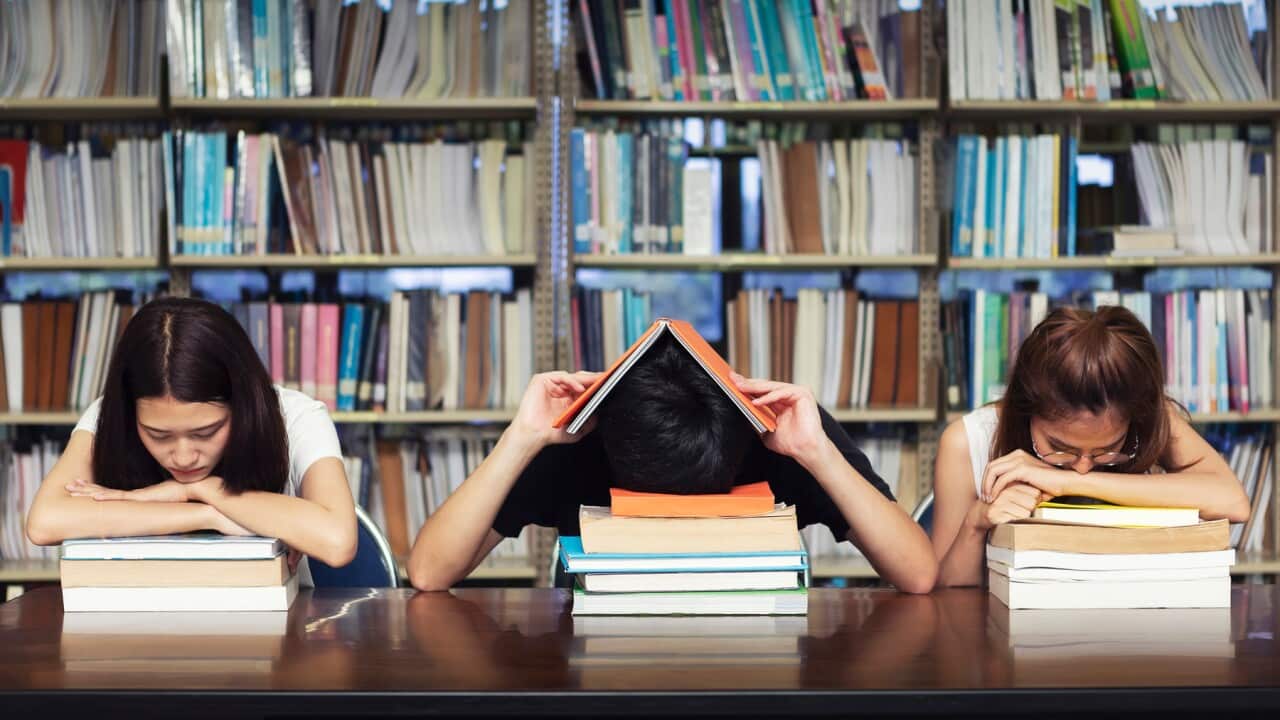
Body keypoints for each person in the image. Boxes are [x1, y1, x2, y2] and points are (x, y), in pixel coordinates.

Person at [407, 333, 937, 593]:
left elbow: (916, 573)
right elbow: (429, 573)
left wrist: (820, 455)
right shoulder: (578, 438)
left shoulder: (786, 430)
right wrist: (520, 439)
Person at [26, 296, 357, 580]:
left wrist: (199, 489)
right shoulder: (110, 415)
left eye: (206, 432)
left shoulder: (297, 416)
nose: (183, 457)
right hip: (139, 624)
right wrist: (207, 514)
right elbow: (45, 522)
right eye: (158, 435)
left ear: (242, 402)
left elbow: (338, 540)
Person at [932, 305, 1250, 587]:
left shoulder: (1147, 416)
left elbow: (1233, 502)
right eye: (1059, 447)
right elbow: (946, 592)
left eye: (1107, 449)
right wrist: (976, 523)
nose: (1084, 465)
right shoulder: (968, 440)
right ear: (1025, 411)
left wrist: (1064, 479)